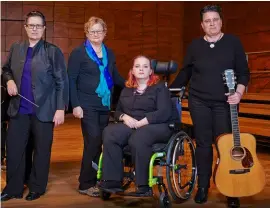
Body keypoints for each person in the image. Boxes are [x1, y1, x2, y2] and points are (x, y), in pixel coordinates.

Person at [170, 5, 250, 208]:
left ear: (221, 22)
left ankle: (231, 188)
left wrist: (238, 94)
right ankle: (202, 187)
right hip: (199, 102)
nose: (212, 23)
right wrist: (168, 91)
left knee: (225, 145)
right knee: (203, 145)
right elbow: (185, 72)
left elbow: (243, 72)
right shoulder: (195, 46)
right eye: (207, 21)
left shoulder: (233, 42)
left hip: (226, 103)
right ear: (202, 25)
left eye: (215, 19)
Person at [1, 11, 69, 201]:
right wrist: (9, 81)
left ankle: (36, 187)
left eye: (38, 26)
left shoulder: (52, 51)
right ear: (25, 27)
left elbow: (61, 81)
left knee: (41, 151)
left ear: (44, 29)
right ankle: (13, 188)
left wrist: (60, 108)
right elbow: (6, 70)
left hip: (44, 109)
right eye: (31, 25)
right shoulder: (16, 48)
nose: (35, 29)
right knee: (14, 150)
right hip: (19, 110)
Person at [99, 55, 177, 196]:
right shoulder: (127, 90)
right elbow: (117, 112)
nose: (141, 69)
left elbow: (164, 112)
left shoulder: (160, 88)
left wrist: (143, 122)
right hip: (133, 125)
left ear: (150, 71)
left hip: (158, 125)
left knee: (139, 136)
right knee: (110, 132)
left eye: (145, 66)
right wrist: (124, 117)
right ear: (132, 71)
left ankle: (143, 185)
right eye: (137, 66)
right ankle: (112, 181)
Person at [68, 16, 125, 197]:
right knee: (93, 141)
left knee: (100, 142)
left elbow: (115, 77)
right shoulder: (79, 53)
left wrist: (134, 84)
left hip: (104, 104)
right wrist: (75, 105)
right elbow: (71, 80)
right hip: (86, 105)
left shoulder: (109, 52)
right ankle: (85, 183)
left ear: (105, 33)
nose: (96, 34)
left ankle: (98, 177)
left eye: (99, 31)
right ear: (86, 33)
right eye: (92, 31)